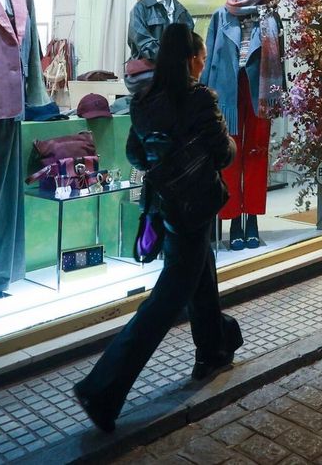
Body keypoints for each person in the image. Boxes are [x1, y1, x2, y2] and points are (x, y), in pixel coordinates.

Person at [75, 23, 238, 431]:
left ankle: (213, 349)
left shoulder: (145, 101)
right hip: (196, 204)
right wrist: (225, 144)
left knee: (201, 277)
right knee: (167, 299)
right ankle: (102, 388)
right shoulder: (201, 99)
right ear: (189, 58)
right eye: (199, 55)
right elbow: (222, 153)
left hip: (170, 206)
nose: (204, 61)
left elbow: (136, 154)